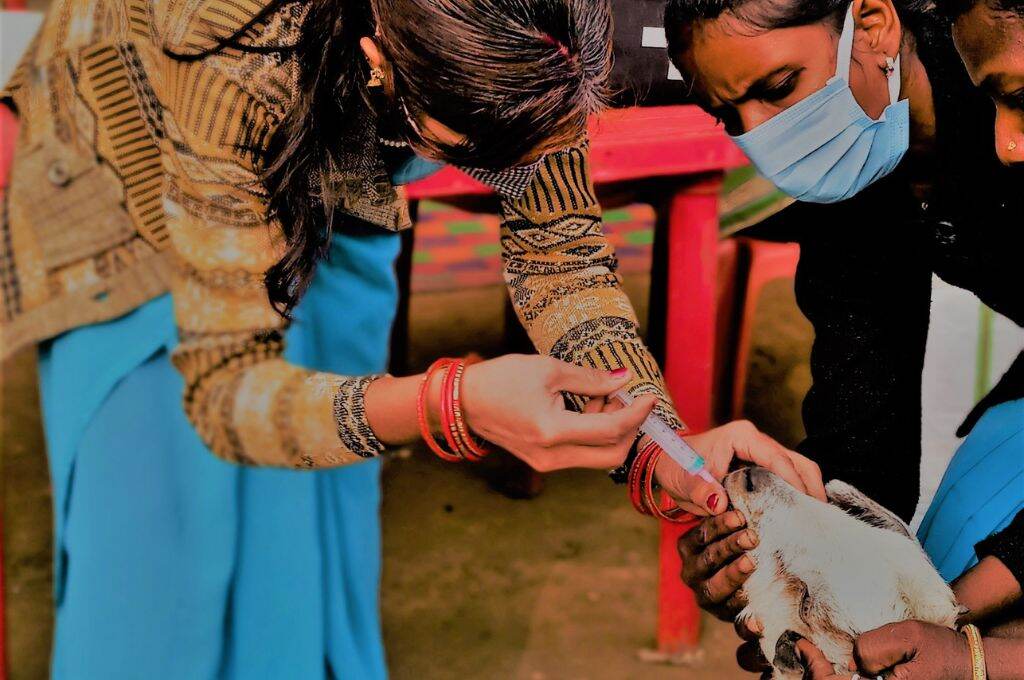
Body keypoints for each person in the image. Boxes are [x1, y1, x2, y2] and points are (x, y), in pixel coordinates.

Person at [0, 0, 827, 676]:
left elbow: (559, 252)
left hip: (340, 171)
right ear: (382, 61)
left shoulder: (530, 31)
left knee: (314, 549)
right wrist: (451, 403)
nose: (513, 182)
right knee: (163, 547)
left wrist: (658, 444)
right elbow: (224, 396)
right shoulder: (224, 46)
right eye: (477, 153)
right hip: (138, 180)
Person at [662, 0, 1023, 675]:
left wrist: (953, 624)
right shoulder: (858, 178)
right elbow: (865, 433)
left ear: (875, 25)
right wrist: (777, 547)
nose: (761, 136)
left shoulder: (1005, 84)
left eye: (777, 88)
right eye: (728, 115)